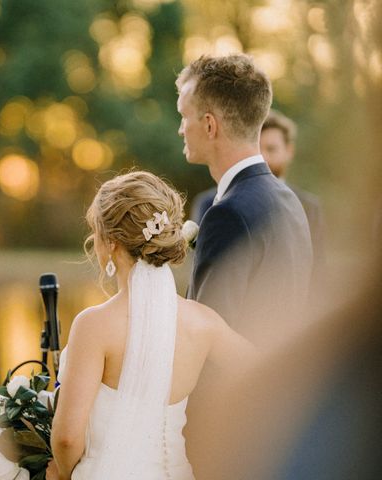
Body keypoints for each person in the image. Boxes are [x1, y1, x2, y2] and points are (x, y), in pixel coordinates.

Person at [46, 171, 255, 480]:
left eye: (96, 231)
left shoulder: (94, 326)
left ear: (111, 243)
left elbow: (66, 439)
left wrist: (63, 475)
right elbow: (272, 378)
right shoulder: (204, 322)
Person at [176, 55, 313, 343]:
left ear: (210, 125)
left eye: (184, 116)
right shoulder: (288, 200)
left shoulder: (228, 214)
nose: (181, 129)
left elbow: (205, 342)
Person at [190, 109, 325, 280]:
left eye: (271, 148)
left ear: (289, 151)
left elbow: (317, 273)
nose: (263, 157)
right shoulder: (208, 203)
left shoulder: (309, 207)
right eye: (258, 149)